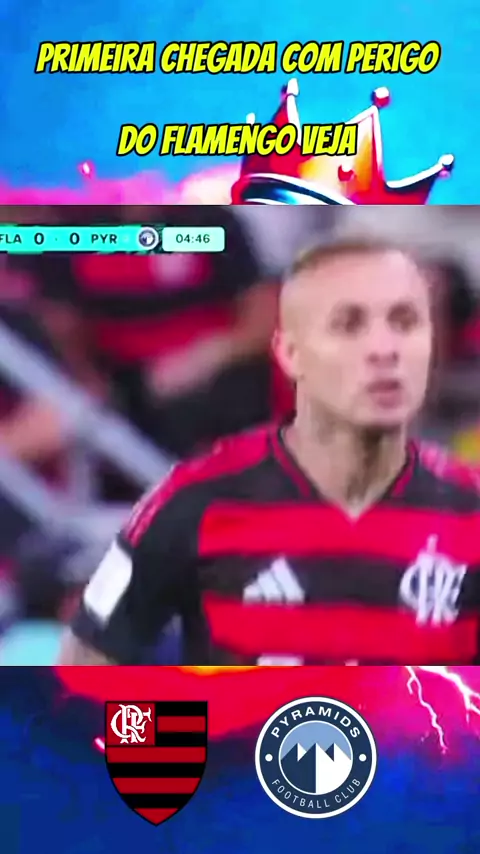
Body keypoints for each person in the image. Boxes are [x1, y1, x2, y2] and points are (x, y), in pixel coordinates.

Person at [59, 234, 480, 666]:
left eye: (406, 323)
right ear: (290, 353)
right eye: (349, 325)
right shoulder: (194, 500)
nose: (384, 350)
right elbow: (81, 675)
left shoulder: (471, 507)